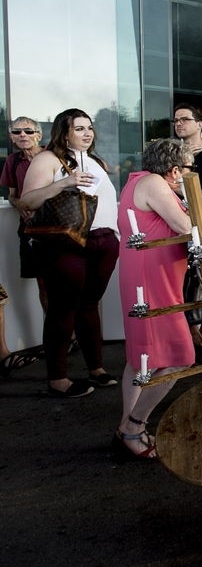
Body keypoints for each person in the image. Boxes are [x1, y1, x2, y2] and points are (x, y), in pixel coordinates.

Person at [21, 109, 120, 398]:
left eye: (89, 128)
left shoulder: (95, 161)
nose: (87, 133)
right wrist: (64, 182)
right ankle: (58, 379)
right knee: (64, 308)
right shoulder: (48, 159)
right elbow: (28, 199)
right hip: (65, 243)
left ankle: (96, 369)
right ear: (64, 132)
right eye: (79, 128)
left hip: (103, 240)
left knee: (90, 305)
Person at [114, 139, 196, 459]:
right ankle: (134, 426)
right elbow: (185, 226)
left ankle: (127, 429)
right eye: (188, 171)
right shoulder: (154, 183)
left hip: (148, 276)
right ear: (175, 170)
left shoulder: (139, 181)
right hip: (152, 279)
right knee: (181, 357)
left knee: (140, 359)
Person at [1, 116, 49, 314]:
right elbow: (12, 195)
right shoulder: (12, 161)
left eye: (28, 131)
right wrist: (19, 203)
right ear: (11, 138)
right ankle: (59, 340)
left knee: (65, 282)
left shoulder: (53, 156)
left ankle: (72, 336)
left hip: (58, 228)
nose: (23, 135)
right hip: (31, 229)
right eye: (17, 132)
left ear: (38, 135)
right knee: (43, 284)